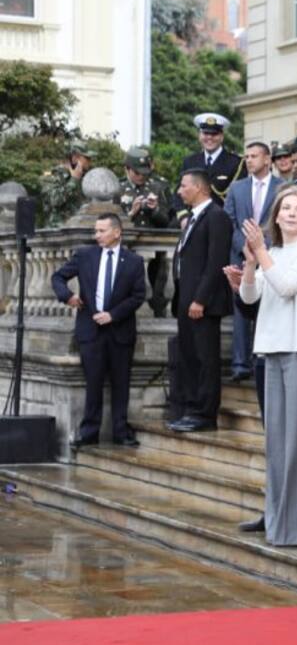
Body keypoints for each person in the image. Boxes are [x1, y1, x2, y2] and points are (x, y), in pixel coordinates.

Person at [238, 186, 297, 547]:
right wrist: (249, 268)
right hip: (273, 347)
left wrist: (261, 254)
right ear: (276, 216)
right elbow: (250, 297)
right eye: (286, 208)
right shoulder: (274, 252)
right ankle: (279, 524)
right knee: (278, 441)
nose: (292, 213)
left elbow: (287, 285)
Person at [52, 214, 146, 449]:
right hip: (90, 330)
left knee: (121, 383)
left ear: (117, 232)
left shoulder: (134, 261)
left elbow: (138, 296)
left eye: (102, 231)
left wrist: (113, 315)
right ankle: (88, 433)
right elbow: (58, 277)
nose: (97, 235)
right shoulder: (85, 255)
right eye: (96, 231)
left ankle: (121, 431)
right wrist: (68, 296)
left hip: (120, 332)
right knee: (93, 383)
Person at [169, 170, 233, 433]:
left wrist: (200, 299)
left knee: (205, 358)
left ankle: (205, 413)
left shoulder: (216, 217)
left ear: (199, 188)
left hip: (202, 303)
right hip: (185, 300)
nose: (179, 191)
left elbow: (215, 261)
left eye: (183, 186)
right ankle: (190, 409)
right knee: (189, 356)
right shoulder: (194, 218)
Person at [225, 141, 282, 382]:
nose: (249, 160)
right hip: (241, 255)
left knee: (268, 306)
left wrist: (262, 247)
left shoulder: (282, 187)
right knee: (241, 309)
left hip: (271, 255)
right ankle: (240, 363)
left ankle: (264, 357)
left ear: (267, 159)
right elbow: (229, 221)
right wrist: (244, 245)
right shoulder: (236, 188)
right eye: (246, 156)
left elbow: (282, 221)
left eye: (254, 156)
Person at [116, 146, 172, 316]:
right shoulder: (118, 188)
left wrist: (155, 210)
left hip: (154, 251)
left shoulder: (158, 187)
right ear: (127, 169)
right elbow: (109, 223)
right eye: (137, 173)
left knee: (156, 289)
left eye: (144, 172)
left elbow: (168, 221)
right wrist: (131, 213)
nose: (141, 176)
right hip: (127, 249)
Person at [182, 113, 244, 203]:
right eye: (205, 133)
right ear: (199, 135)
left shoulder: (236, 163)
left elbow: (239, 197)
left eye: (214, 134)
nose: (209, 137)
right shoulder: (190, 162)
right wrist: (182, 212)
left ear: (222, 137)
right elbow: (180, 193)